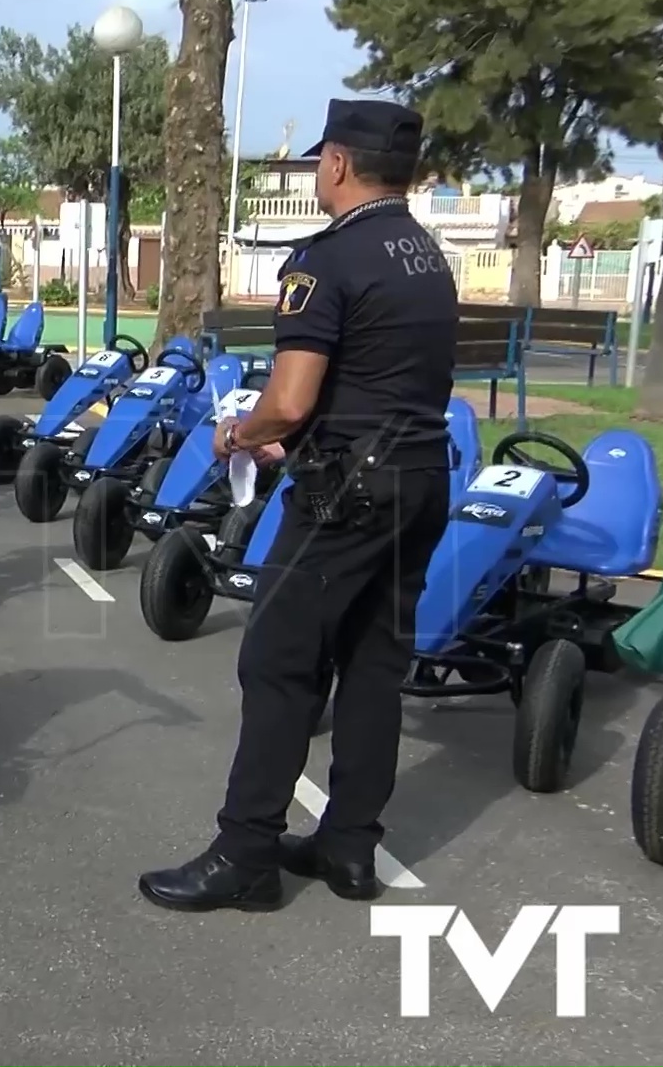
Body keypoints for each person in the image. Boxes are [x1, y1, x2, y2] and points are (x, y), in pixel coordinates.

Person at [138, 99, 457, 912]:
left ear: (340, 164)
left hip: (347, 494)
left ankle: (245, 853)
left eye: (321, 160)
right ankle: (350, 847)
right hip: (420, 479)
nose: (319, 171)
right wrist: (301, 434)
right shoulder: (427, 256)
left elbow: (289, 398)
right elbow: (384, 381)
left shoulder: (328, 262)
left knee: (277, 663)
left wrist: (242, 435)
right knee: (376, 665)